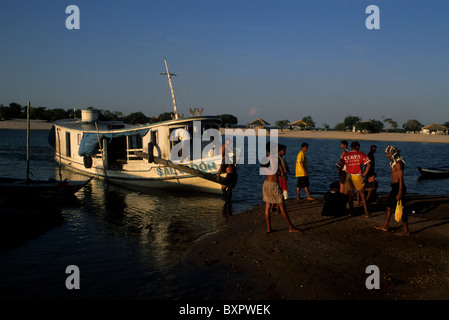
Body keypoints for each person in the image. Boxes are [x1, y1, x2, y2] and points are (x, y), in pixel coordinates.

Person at [261, 142, 299, 234]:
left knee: (267, 206)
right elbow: (281, 173)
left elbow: (266, 170)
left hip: (266, 184)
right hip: (274, 184)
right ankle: (290, 227)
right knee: (282, 206)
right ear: (273, 149)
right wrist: (278, 172)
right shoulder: (276, 159)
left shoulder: (264, 159)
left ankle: (269, 229)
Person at [375, 145, 409, 236]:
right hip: (395, 187)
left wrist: (400, 192)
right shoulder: (394, 162)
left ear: (392, 153)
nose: (387, 156)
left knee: (401, 209)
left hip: (399, 188)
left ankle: (406, 230)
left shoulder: (398, 163)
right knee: (389, 207)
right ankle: (385, 226)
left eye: (388, 154)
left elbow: (401, 179)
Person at [336, 141, 371, 218]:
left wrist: (341, 173)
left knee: (350, 195)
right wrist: (364, 174)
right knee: (362, 195)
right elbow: (368, 164)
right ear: (357, 146)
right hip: (358, 176)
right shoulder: (361, 154)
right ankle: (366, 212)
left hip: (349, 176)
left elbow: (338, 165)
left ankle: (352, 212)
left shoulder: (346, 155)